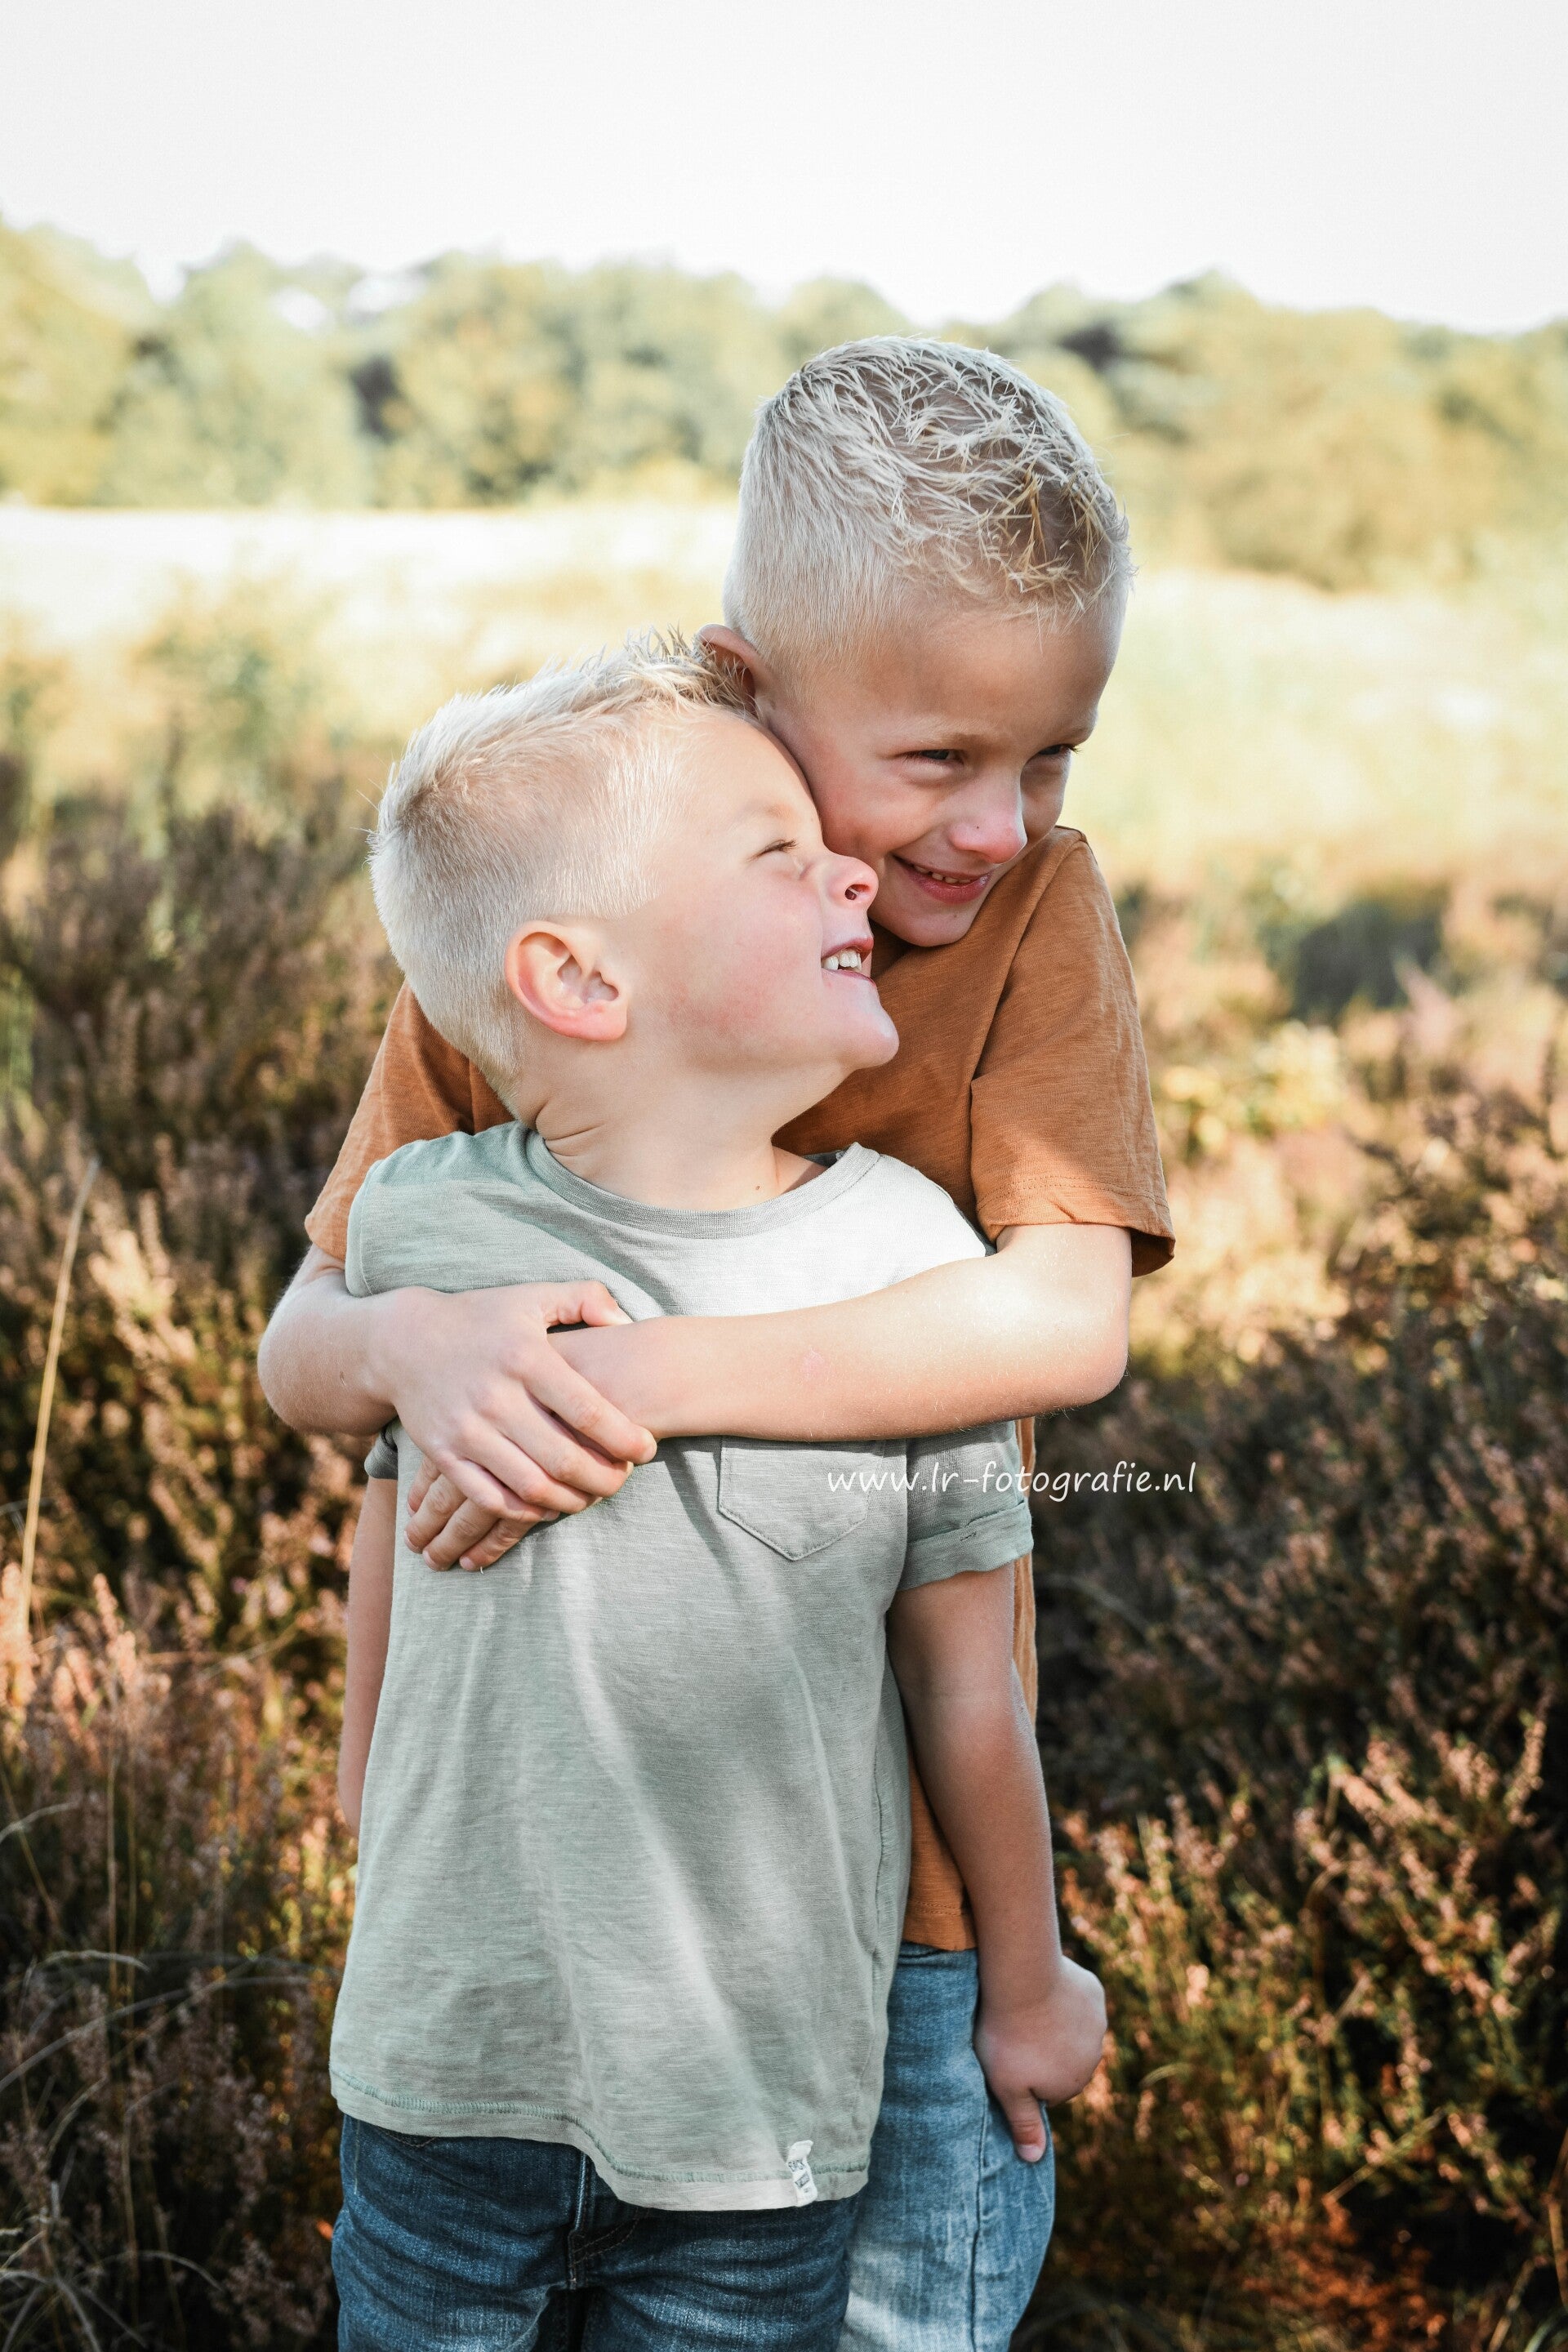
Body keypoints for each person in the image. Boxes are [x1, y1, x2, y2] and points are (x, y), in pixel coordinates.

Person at [261, 339, 1174, 2348]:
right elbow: (315, 1336)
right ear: (754, 684)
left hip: (904, 1898)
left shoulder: (1036, 916)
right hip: (541, 1904)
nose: (999, 825)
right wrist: (419, 1353)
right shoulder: (569, 893)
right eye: (939, 759)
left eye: (1052, 759)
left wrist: (636, 1382)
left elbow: (1064, 1316)